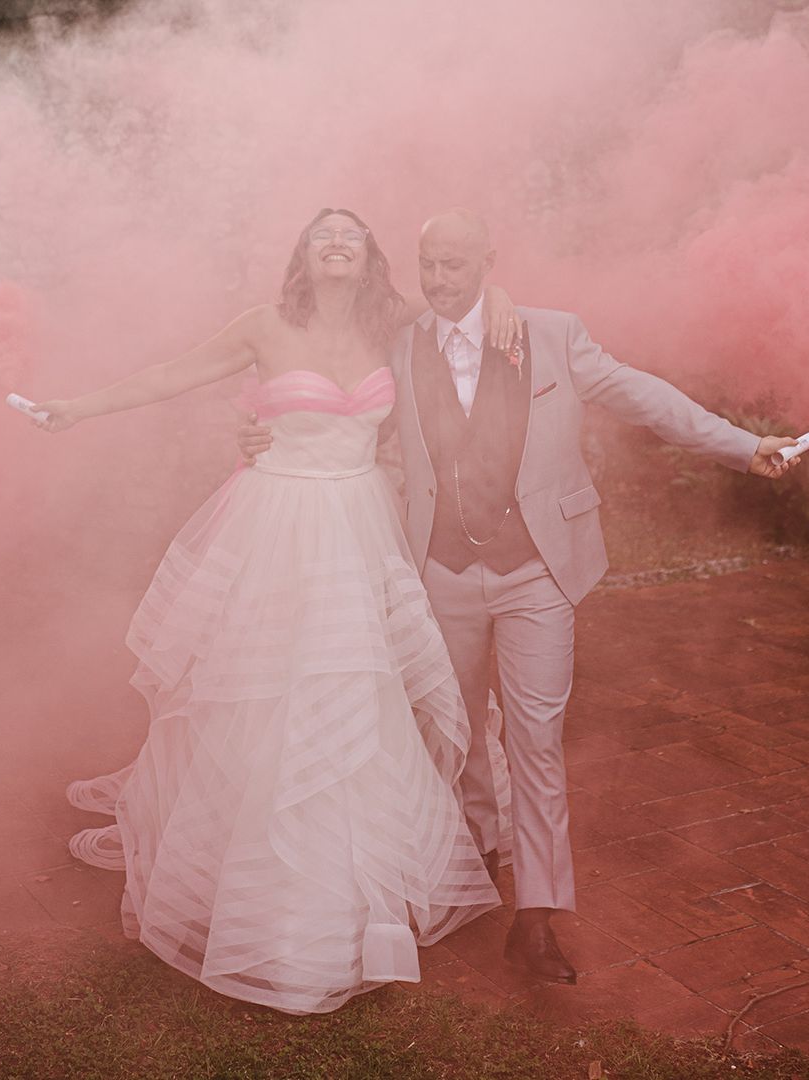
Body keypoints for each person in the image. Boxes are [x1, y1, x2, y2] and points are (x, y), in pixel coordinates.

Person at [239, 208, 801, 985]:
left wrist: (744, 445)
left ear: (488, 263)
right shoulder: (399, 342)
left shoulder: (553, 335)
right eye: (429, 265)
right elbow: (334, 402)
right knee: (458, 728)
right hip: (441, 571)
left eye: (456, 265)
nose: (440, 280)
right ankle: (476, 857)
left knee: (535, 740)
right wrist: (262, 433)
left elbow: (642, 396)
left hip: (538, 571)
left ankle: (536, 917)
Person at [28, 208, 524, 1015]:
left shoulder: (393, 321)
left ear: (369, 256)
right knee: (270, 692)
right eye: (322, 232)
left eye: (351, 232)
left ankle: (357, 884)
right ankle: (267, 886)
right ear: (303, 254)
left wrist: (497, 296)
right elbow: (173, 374)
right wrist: (78, 407)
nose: (337, 240)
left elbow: (462, 302)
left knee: (359, 691)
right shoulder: (264, 325)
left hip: (360, 522)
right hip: (278, 523)